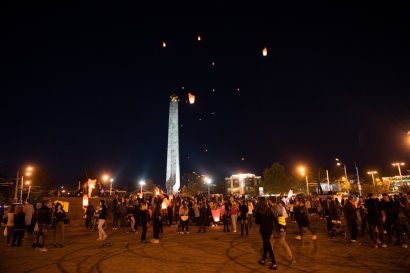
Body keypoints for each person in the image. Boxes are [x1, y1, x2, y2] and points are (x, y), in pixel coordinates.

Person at [269, 198, 296, 266]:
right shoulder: (279, 207)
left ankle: (270, 258)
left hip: (276, 229)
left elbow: (273, 220)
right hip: (282, 227)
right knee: (281, 243)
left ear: (270, 201)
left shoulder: (272, 208)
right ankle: (292, 258)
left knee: (273, 243)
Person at [255, 197, 278, 270]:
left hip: (263, 229)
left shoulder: (259, 211)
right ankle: (263, 260)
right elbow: (274, 218)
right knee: (265, 244)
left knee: (267, 245)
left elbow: (257, 222)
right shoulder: (269, 209)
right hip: (270, 229)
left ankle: (274, 263)